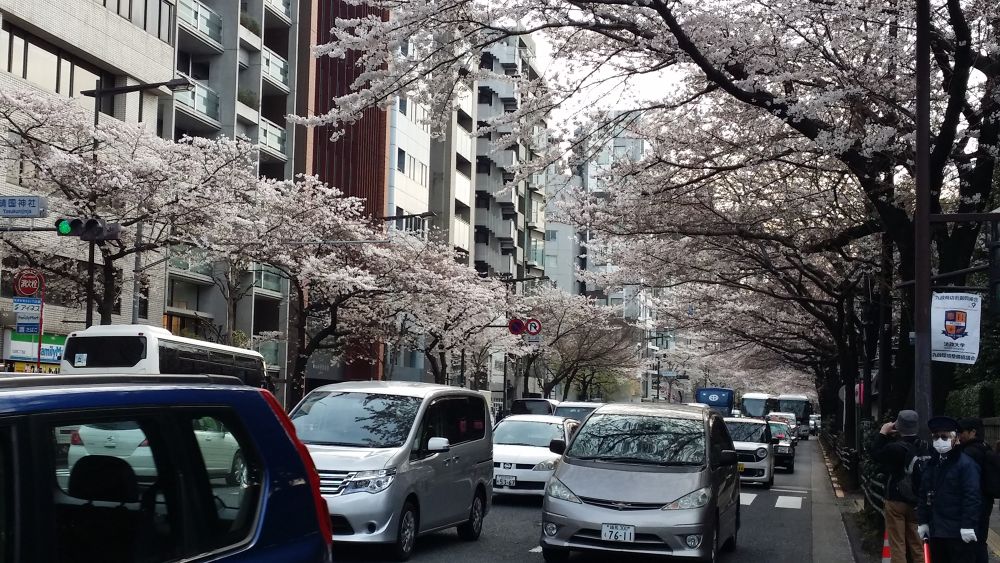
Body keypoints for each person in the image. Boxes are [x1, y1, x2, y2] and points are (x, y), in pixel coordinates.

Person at [917, 416, 981, 563]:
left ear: (956, 438)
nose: (939, 441)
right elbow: (923, 493)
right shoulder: (932, 463)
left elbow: (972, 497)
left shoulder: (965, 464)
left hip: (957, 532)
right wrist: (923, 521)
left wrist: (968, 525)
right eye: (935, 437)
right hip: (936, 530)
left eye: (944, 437)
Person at [870, 410, 925, 563]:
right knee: (917, 543)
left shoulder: (894, 448)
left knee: (897, 543)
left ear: (898, 426)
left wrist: (882, 433)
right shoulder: (924, 446)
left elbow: (875, 454)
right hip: (917, 501)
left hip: (896, 499)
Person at [957, 417, 995, 563]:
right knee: (981, 542)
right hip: (986, 502)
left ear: (973, 432)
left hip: (973, 504)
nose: (959, 435)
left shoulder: (969, 453)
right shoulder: (986, 447)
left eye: (962, 432)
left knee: (970, 545)